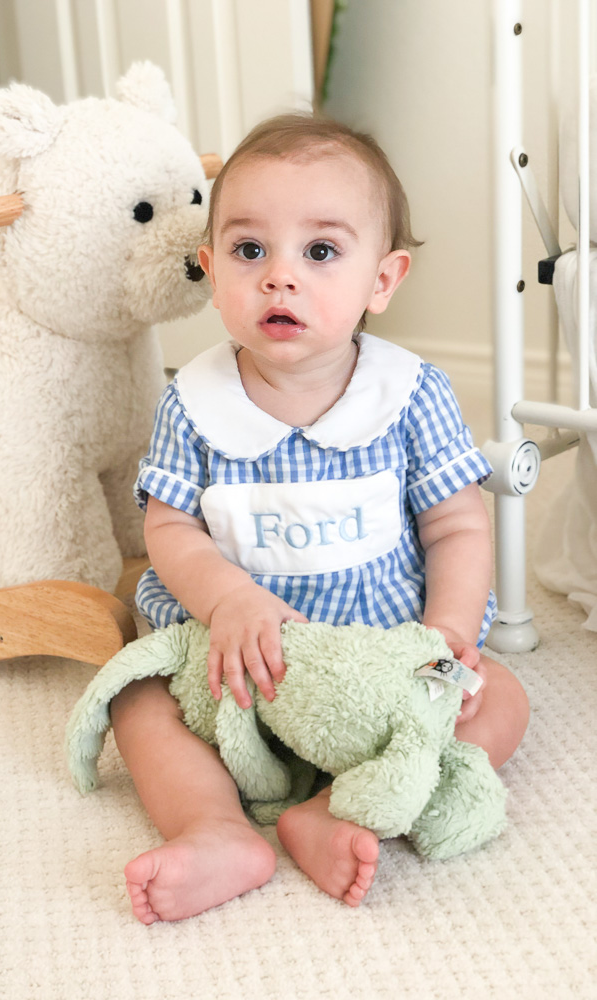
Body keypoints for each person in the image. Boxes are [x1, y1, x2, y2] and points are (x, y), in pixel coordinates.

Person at [109, 113, 530, 925]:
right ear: (209, 266)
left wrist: (443, 631)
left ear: (383, 278)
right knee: (139, 698)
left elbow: (457, 527)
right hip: (239, 668)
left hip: (381, 656)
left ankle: (335, 808)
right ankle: (215, 828)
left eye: (322, 252)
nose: (280, 278)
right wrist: (228, 601)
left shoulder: (410, 394)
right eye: (249, 250)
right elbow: (169, 532)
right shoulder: (192, 402)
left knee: (498, 698)